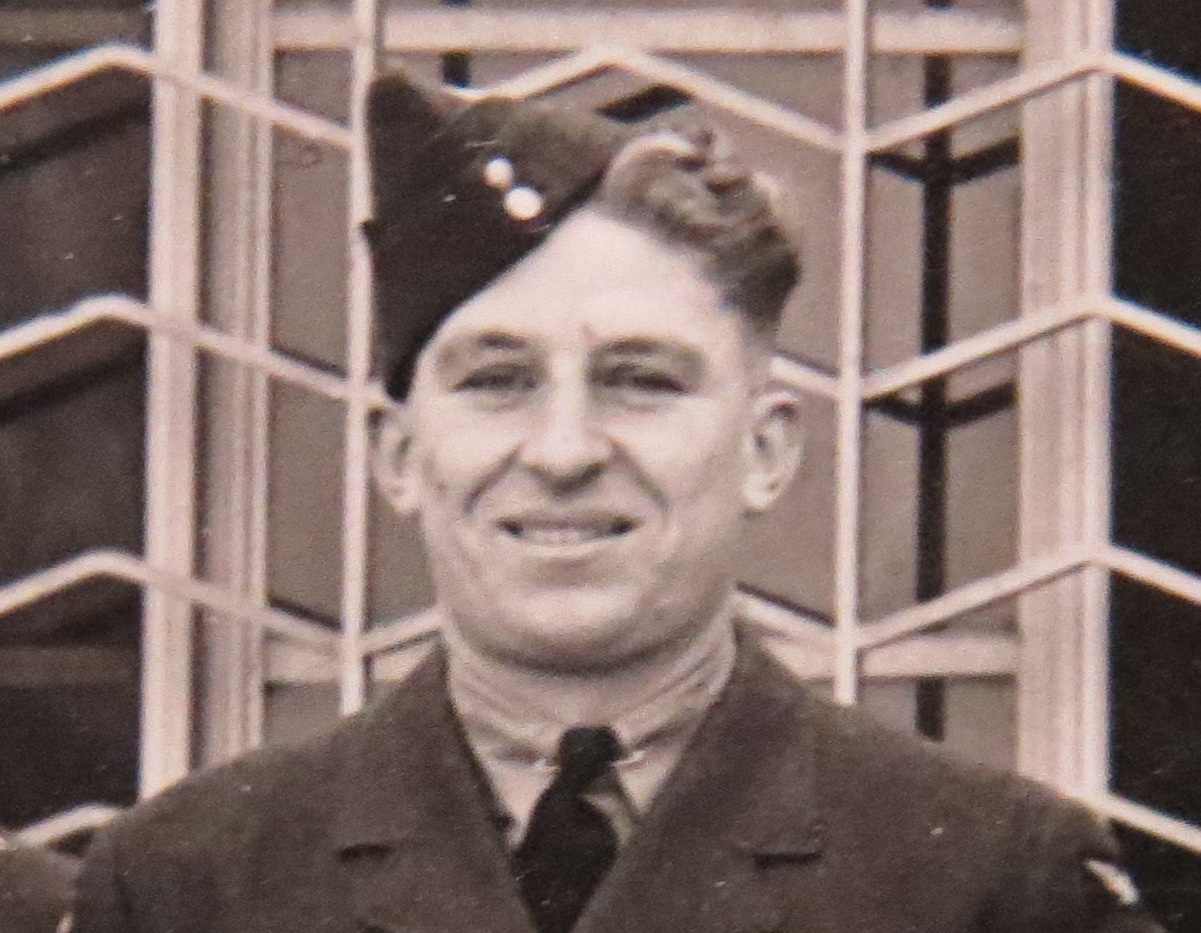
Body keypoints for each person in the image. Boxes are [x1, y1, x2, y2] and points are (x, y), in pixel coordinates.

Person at [72, 69, 1163, 933]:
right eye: (497, 380)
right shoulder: (187, 885)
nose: (563, 451)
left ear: (766, 450)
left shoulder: (990, 880)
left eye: (640, 380)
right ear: (399, 455)